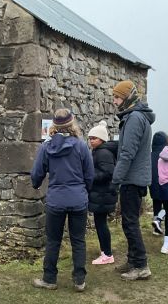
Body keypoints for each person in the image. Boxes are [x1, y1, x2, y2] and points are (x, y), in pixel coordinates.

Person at [31, 109, 94, 291]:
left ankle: (49, 279)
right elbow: (90, 174)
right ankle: (79, 280)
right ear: (72, 124)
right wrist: (85, 191)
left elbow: (37, 173)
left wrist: (36, 184)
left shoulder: (46, 147)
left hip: (56, 200)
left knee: (53, 241)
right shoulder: (81, 146)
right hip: (78, 199)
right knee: (78, 240)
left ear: (54, 125)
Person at [110, 80, 156, 280]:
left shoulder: (135, 118)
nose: (114, 101)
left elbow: (128, 153)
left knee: (130, 223)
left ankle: (141, 265)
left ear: (128, 97)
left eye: (117, 97)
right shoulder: (136, 116)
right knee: (129, 222)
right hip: (135, 178)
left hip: (132, 179)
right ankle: (132, 260)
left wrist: (116, 179)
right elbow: (126, 146)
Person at [88, 120, 118, 265]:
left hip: (103, 194)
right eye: (90, 138)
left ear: (102, 139)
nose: (91, 141)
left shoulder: (103, 153)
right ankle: (105, 252)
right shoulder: (99, 151)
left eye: (94, 138)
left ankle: (107, 254)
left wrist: (90, 176)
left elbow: (108, 173)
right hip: (101, 194)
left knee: (101, 224)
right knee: (100, 223)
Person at [149, 131, 168, 236]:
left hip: (153, 184)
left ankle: (156, 228)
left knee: (156, 205)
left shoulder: (149, 155)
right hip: (165, 184)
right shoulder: (167, 155)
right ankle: (159, 220)